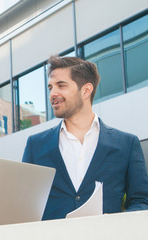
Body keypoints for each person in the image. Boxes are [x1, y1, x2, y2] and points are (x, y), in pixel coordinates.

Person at [22, 56, 148, 220]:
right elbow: (24, 204)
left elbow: (141, 202)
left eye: (61, 85)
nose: (53, 93)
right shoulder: (35, 145)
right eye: (50, 87)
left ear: (86, 90)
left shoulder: (127, 144)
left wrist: (116, 224)